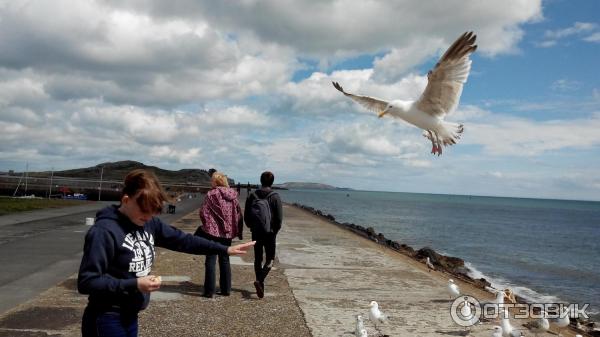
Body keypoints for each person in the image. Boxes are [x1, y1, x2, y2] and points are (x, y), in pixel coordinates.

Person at [77, 169, 254, 337]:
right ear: (126, 200)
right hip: (106, 317)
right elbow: (87, 281)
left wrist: (225, 249)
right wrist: (134, 284)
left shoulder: (148, 223)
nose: (147, 217)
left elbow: (183, 240)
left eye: (152, 213)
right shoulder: (104, 231)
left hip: (131, 314)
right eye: (144, 212)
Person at [194, 172, 243, 298]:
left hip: (212, 232)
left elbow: (203, 212)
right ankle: (226, 289)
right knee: (225, 259)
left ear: (216, 182)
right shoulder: (233, 195)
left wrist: (207, 225)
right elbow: (238, 214)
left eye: (212, 180)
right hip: (228, 233)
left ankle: (209, 291)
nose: (211, 182)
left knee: (210, 259)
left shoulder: (211, 194)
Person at [244, 171, 282, 299]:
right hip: (270, 233)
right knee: (270, 259)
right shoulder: (275, 196)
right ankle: (260, 280)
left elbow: (247, 214)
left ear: (260, 181)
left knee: (258, 258)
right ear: (272, 182)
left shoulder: (252, 195)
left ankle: (260, 284)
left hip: (256, 231)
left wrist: (251, 226)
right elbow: (279, 218)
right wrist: (275, 231)